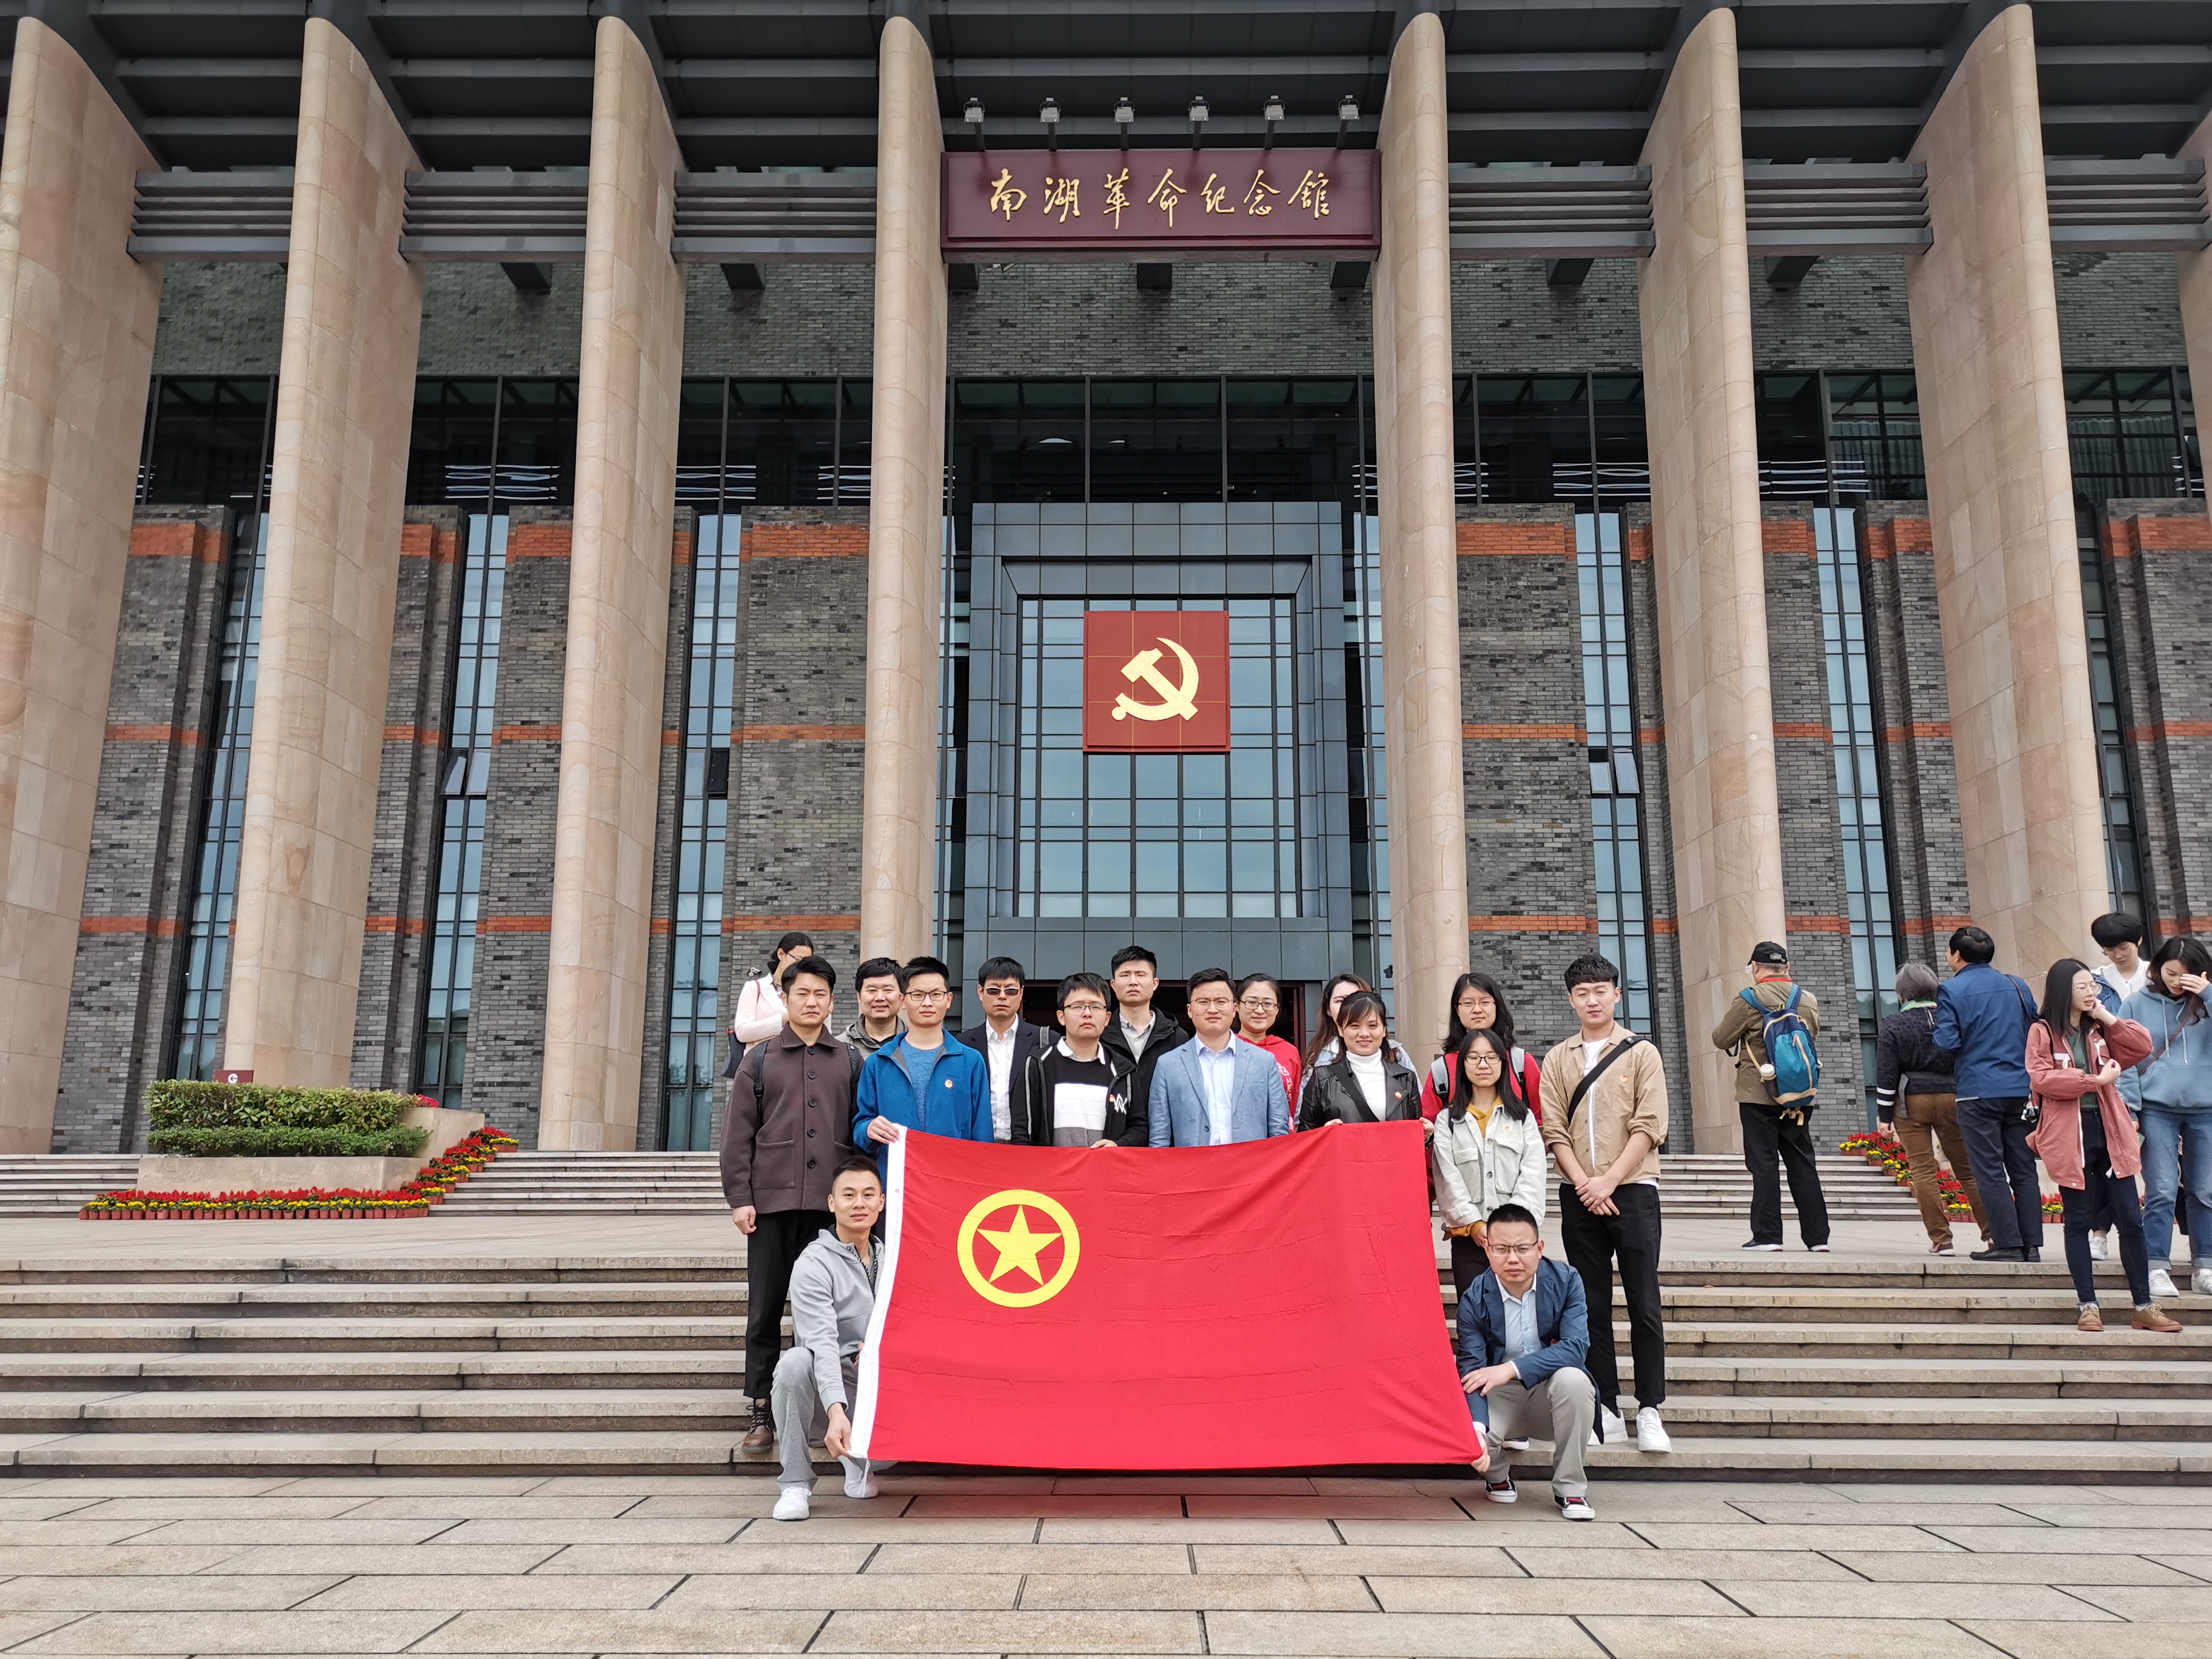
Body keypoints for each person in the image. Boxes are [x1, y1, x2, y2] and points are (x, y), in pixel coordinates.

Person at [722, 956, 859, 1451]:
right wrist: (741, 1197)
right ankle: (762, 1408)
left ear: (832, 1001)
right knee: (764, 1309)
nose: (812, 1002)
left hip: (827, 1210)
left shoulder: (848, 1060)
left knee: (820, 1312)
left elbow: (857, 1132)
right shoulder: (759, 1059)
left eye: (821, 994)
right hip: (772, 1206)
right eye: (802, 993)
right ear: (785, 998)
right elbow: (737, 1136)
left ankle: (816, 1407)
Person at [1540, 952, 1671, 1455]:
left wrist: (1609, 1181)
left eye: (1600, 991)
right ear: (1570, 1000)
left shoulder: (1641, 1053)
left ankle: (1651, 1409)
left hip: (1633, 1189)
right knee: (1590, 1304)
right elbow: (1554, 1128)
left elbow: (1650, 1124)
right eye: (1582, 993)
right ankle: (1608, 1408)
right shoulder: (1558, 1058)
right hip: (1579, 1195)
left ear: (1617, 994)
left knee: (1644, 1302)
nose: (1592, 1001)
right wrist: (1584, 1185)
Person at [2025, 959, 2180, 1334]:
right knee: (2078, 1221)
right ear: (2063, 991)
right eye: (2082, 987)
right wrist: (2094, 1081)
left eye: (2092, 986)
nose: (2090, 992)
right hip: (2070, 1136)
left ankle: (2144, 1306)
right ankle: (2088, 1306)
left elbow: (2142, 1046)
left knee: (2131, 1219)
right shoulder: (2042, 1031)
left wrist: (2107, 1016)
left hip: (2110, 1130)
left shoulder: (2098, 1028)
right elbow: (2042, 1078)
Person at [769, 1155, 896, 1521]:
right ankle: (795, 1483)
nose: (859, 1203)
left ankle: (859, 1463)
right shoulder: (813, 1264)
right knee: (794, 1363)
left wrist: (881, 1350)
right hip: (830, 1395)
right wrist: (836, 1411)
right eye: (849, 1195)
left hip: (878, 1390)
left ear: (881, 1202)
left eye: (868, 1195)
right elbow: (821, 1343)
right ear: (832, 1202)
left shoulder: (893, 1258)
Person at [1453, 1202, 1599, 1520]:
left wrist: (1511, 1369)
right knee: (1471, 1426)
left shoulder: (1566, 1280)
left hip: (1550, 1391)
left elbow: (1576, 1347)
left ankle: (1571, 1488)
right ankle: (1498, 1476)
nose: (1513, 1259)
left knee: (1575, 1380)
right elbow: (1471, 1369)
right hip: (1500, 1396)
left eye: (1522, 1248)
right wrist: (1475, 1430)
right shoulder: (1474, 1298)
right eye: (1502, 1249)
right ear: (1488, 1250)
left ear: (1539, 1248)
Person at [1708, 942, 1832, 1253]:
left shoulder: (1749, 998)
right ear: (1787, 967)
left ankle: (1768, 1236)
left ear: (1756, 968)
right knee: (1803, 1163)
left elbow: (1721, 1038)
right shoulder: (1807, 999)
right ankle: (1817, 1239)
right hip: (1799, 1094)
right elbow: (1812, 1035)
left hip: (1758, 1093)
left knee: (1764, 1164)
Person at [1932, 925, 2045, 1263]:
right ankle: (2031, 1245)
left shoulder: (1950, 990)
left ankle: (2007, 1244)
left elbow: (1946, 1042)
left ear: (1956, 955)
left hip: (1978, 1090)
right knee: (2023, 1168)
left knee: (1989, 1169)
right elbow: (2035, 1030)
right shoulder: (2018, 985)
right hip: (2021, 1088)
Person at [2119, 935, 2212, 1302]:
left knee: (2205, 1190)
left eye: (2184, 975)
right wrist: (2130, 1109)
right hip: (2156, 1107)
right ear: (2157, 968)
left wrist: (2207, 995)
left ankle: (2205, 1266)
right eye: (2170, 973)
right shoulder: (2135, 1003)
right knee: (2161, 1188)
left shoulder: (2207, 1000)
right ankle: (2156, 1265)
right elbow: (2123, 1059)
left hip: (2206, 1108)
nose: (2175, 981)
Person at [1874, 962, 1987, 1255]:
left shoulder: (1893, 1024)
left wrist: (1884, 1115)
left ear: (1902, 993)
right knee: (1968, 1171)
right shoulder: (1952, 1018)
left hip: (1911, 1100)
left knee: (1923, 1171)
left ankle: (1941, 1238)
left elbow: (1887, 1073)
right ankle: (1993, 1234)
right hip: (1954, 1095)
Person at [1432, 1028, 1549, 1306]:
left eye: (1491, 1057)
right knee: (1474, 1316)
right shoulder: (1448, 1121)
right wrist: (1475, 1226)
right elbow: (1447, 1179)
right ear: (1463, 1065)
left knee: (1518, 1316)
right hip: (1469, 1240)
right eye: (1474, 1057)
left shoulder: (1522, 1118)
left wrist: (1510, 1228)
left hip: (1516, 1242)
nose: (1483, 1065)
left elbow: (1533, 1174)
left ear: (1502, 1063)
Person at [853, 956, 993, 1164]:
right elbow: (861, 1126)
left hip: (952, 1176)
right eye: (918, 995)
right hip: (896, 1177)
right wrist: (868, 1129)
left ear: (949, 999)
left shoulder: (970, 1062)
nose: (927, 1003)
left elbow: (983, 1135)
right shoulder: (879, 1062)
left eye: (936, 994)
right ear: (903, 1001)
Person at [1149, 967, 1293, 1146]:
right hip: (1193, 1163)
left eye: (1221, 1001)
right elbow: (1159, 1138)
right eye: (1203, 1002)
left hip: (1251, 1163)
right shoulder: (1168, 1065)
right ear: (1190, 1010)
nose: (1213, 1009)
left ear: (1234, 1009)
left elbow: (1279, 1132)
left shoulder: (1264, 1062)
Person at [2084, 914, 2150, 1262]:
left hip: (2159, 1079)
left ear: (2139, 941)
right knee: (2112, 1161)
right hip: (2116, 1080)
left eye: (2122, 947)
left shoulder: (2157, 977)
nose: (2116, 955)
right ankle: (2099, 1232)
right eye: (2108, 949)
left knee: (2167, 1170)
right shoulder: (2095, 982)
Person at [1023, 971, 1144, 1147]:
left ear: (1107, 1018)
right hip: (1052, 1164)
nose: (1087, 1013)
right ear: (1061, 1016)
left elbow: (1139, 1127)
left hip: (1106, 1164)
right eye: (1078, 1006)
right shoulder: (1039, 1065)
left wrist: (1118, 1145)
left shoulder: (1123, 1071)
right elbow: (1023, 1131)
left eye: (1096, 1007)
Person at [1421, 971, 1544, 1125]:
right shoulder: (1441, 1070)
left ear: (1497, 1006)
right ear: (1457, 1010)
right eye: (1468, 1003)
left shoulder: (1520, 1061)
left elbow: (1542, 1119)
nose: (1477, 1009)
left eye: (1485, 1002)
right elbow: (1429, 1126)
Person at [1298, 990, 1422, 1129]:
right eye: (1354, 1026)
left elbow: (1415, 1133)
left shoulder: (1406, 1079)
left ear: (1384, 1029)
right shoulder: (1322, 1079)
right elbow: (1305, 1134)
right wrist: (1325, 1133)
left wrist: (1427, 1136)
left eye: (1373, 1026)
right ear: (1340, 1029)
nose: (1364, 1034)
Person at [958, 955, 1044, 1145]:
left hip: (1028, 1147)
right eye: (994, 990)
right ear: (980, 992)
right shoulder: (962, 1045)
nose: (1002, 996)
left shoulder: (1045, 1041)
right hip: (977, 1146)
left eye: (1011, 990)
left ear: (1021, 993)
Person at [1101, 946, 1191, 1122]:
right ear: (1113, 985)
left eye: (1141, 975)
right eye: (1125, 975)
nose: (1133, 982)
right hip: (1112, 1133)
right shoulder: (1099, 1035)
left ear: (1155, 983)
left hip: (1162, 1133)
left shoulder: (1177, 1038)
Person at [724, 930, 814, 1077]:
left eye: (806, 963)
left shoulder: (810, 993)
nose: (802, 966)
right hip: (761, 1071)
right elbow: (742, 1032)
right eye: (798, 960)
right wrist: (782, 1020)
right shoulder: (755, 988)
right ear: (781, 954)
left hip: (798, 1071)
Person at [1304, 971, 1415, 1074]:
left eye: (1356, 999)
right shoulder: (1319, 1058)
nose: (1348, 1007)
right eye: (1340, 1001)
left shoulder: (1395, 1053)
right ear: (1328, 1009)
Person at [1235, 973, 1302, 1108]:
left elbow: (1295, 1104)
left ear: (1277, 1009)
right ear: (1237, 1006)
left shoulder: (1289, 1052)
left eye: (1268, 1003)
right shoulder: (1225, 1048)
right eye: (1252, 1002)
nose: (1260, 1010)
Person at [840, 956, 907, 1056]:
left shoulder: (917, 1044)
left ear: (902, 997)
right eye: (872, 990)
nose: (880, 998)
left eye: (888, 990)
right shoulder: (839, 1047)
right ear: (859, 996)